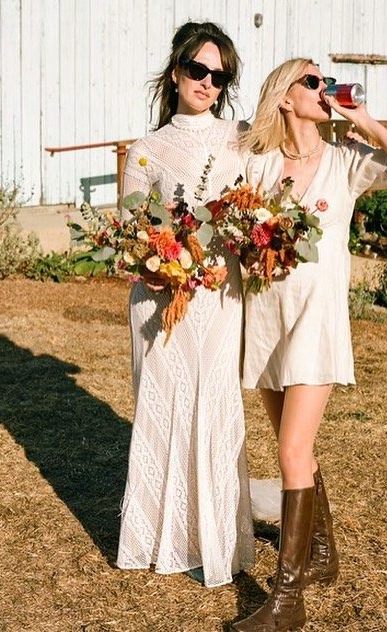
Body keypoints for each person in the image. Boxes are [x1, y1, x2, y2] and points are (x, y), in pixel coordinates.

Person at [232, 59, 387, 630]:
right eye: (312, 82)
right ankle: (321, 554)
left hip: (315, 326)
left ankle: (287, 599)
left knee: (292, 452)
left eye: (325, 82)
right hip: (266, 322)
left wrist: (362, 119)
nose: (325, 90)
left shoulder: (346, 161)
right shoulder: (260, 164)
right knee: (294, 446)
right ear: (285, 98)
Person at [116, 21, 255, 589]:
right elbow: (130, 232)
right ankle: (162, 537)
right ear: (176, 72)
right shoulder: (146, 151)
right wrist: (161, 261)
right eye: (198, 70)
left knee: (214, 405)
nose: (207, 83)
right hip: (161, 299)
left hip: (220, 295)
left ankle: (214, 538)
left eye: (220, 76)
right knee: (166, 407)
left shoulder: (240, 138)